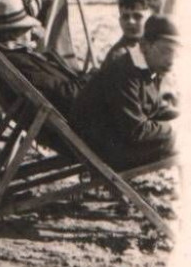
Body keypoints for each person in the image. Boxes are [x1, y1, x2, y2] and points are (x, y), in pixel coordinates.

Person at [73, 16, 177, 172]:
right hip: (106, 148)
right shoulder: (124, 72)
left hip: (118, 137)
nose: (171, 60)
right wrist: (172, 128)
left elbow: (150, 105)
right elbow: (135, 130)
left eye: (176, 53)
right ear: (145, 46)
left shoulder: (146, 67)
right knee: (181, 142)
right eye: (165, 51)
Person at [0, 0, 83, 122]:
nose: (32, 32)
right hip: (83, 116)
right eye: (27, 28)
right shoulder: (18, 62)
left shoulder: (12, 57)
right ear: (13, 33)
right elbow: (67, 94)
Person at [106, 0, 163, 66]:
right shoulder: (120, 55)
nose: (130, 22)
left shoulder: (163, 43)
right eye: (125, 17)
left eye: (137, 16)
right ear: (120, 20)